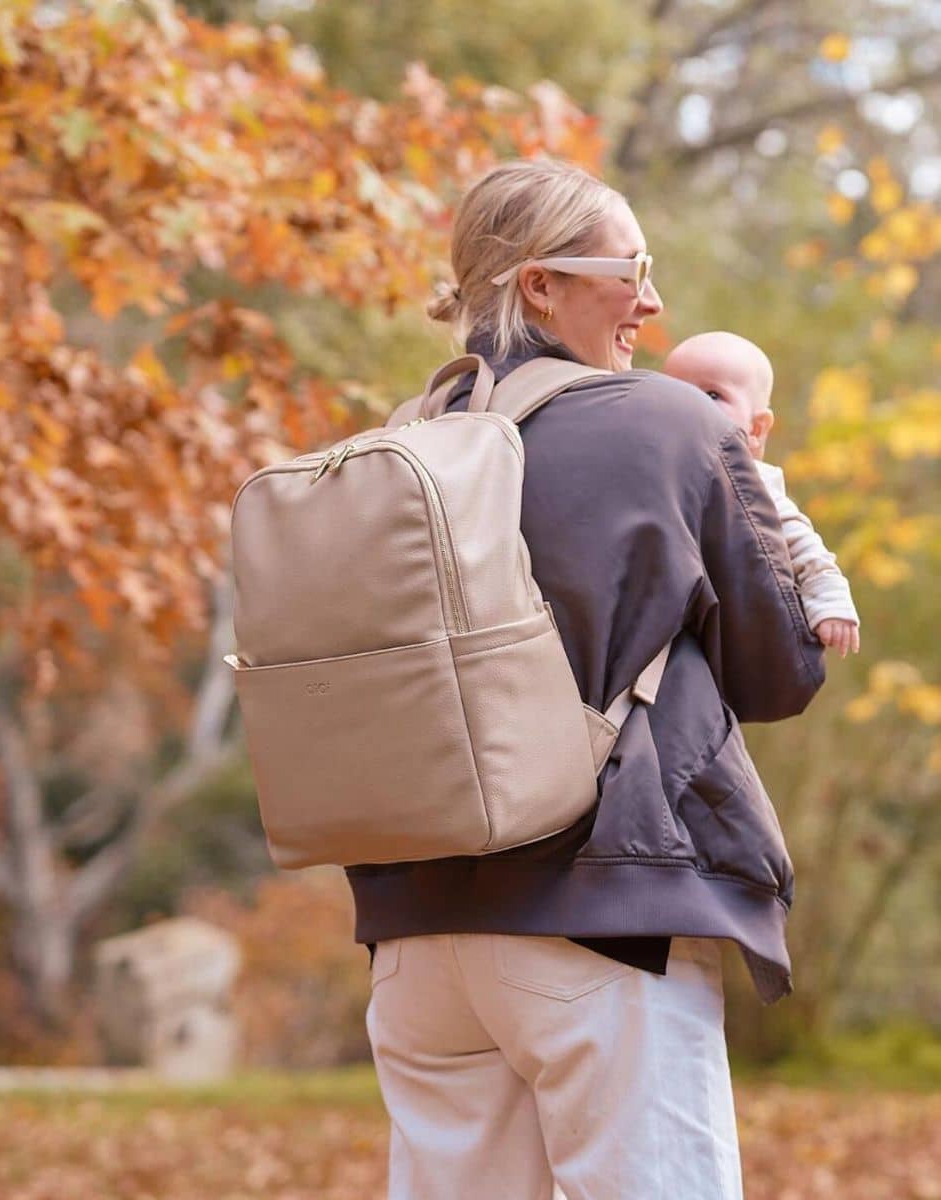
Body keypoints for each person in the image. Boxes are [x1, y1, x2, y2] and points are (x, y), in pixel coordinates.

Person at [345, 157, 826, 1200]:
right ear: (540, 285)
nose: (651, 300)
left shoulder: (402, 440)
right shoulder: (668, 423)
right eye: (632, 269)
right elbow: (781, 670)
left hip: (417, 934)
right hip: (602, 920)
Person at [663, 331, 860, 657]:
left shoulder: (750, 482)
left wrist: (830, 601)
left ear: (756, 429)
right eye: (676, 392)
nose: (690, 405)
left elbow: (802, 544)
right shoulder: (655, 462)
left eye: (713, 395)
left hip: (724, 630)